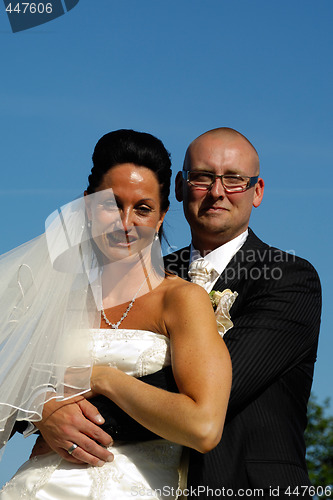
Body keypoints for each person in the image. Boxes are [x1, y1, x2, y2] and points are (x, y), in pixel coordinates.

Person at [11, 127, 321, 498]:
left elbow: (219, 391)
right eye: (202, 177)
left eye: (235, 180)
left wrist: (73, 417)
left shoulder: (288, 278)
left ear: (257, 191)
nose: (217, 191)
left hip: (241, 485)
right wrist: (40, 411)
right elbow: (22, 366)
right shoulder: (139, 276)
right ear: (178, 188)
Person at [0, 129, 232, 499]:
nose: (125, 223)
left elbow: (203, 426)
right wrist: (42, 410)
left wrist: (102, 377)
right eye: (112, 204)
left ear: (160, 218)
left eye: (142, 208)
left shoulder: (181, 300)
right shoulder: (55, 298)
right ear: (88, 205)